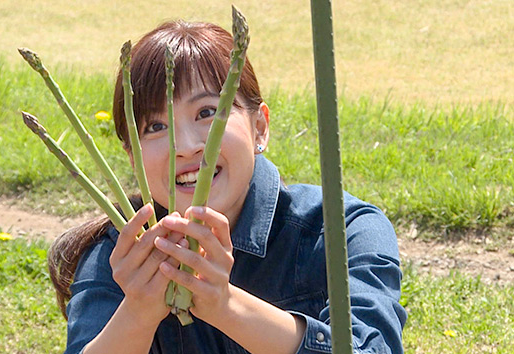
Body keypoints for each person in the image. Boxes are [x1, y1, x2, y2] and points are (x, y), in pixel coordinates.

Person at [48, 20, 407, 354]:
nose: (185, 146)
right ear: (132, 156)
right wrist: (139, 311)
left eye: (207, 112)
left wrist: (225, 305)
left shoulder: (343, 228)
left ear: (259, 127)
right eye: (155, 127)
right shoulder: (117, 257)